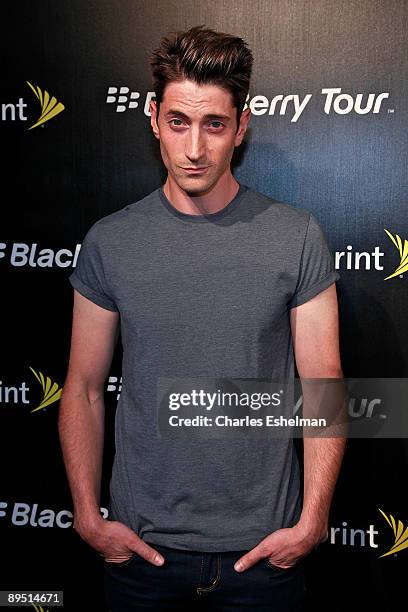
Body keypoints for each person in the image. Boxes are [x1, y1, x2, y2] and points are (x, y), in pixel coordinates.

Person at [58, 25, 346, 611]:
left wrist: (313, 520)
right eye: (179, 122)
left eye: (214, 124)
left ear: (241, 126)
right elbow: (84, 388)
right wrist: (87, 516)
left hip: (263, 558)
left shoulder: (296, 237)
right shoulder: (111, 242)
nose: (194, 149)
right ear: (153, 118)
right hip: (141, 557)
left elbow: (324, 388)